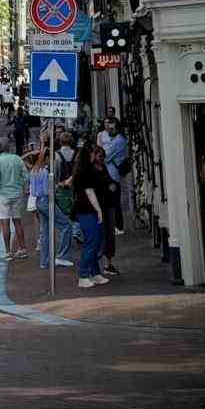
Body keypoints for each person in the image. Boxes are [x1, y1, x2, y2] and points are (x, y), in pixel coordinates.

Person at [72, 142, 111, 288]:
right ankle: (83, 275)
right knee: (91, 242)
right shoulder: (85, 172)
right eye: (93, 154)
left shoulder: (81, 170)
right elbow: (89, 192)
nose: (95, 156)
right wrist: (99, 210)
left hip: (85, 210)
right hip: (87, 210)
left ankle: (94, 273)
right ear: (89, 155)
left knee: (94, 242)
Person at [29, 148, 73, 270]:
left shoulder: (34, 171)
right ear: (47, 158)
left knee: (44, 232)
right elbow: (47, 191)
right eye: (52, 158)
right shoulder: (46, 172)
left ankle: (44, 261)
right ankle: (62, 256)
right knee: (66, 225)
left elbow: (33, 191)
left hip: (38, 201)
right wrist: (56, 187)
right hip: (47, 201)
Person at [0, 137, 29, 260]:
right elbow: (26, 176)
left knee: (5, 222)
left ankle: (8, 251)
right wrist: (22, 186)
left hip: (3, 194)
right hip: (17, 193)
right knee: (17, 221)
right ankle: (22, 248)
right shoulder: (17, 159)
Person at [100, 118, 129, 273]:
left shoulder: (119, 141)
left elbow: (106, 156)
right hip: (112, 174)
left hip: (113, 175)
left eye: (111, 127)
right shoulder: (114, 139)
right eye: (106, 127)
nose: (108, 129)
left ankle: (118, 225)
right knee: (113, 203)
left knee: (114, 203)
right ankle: (117, 225)